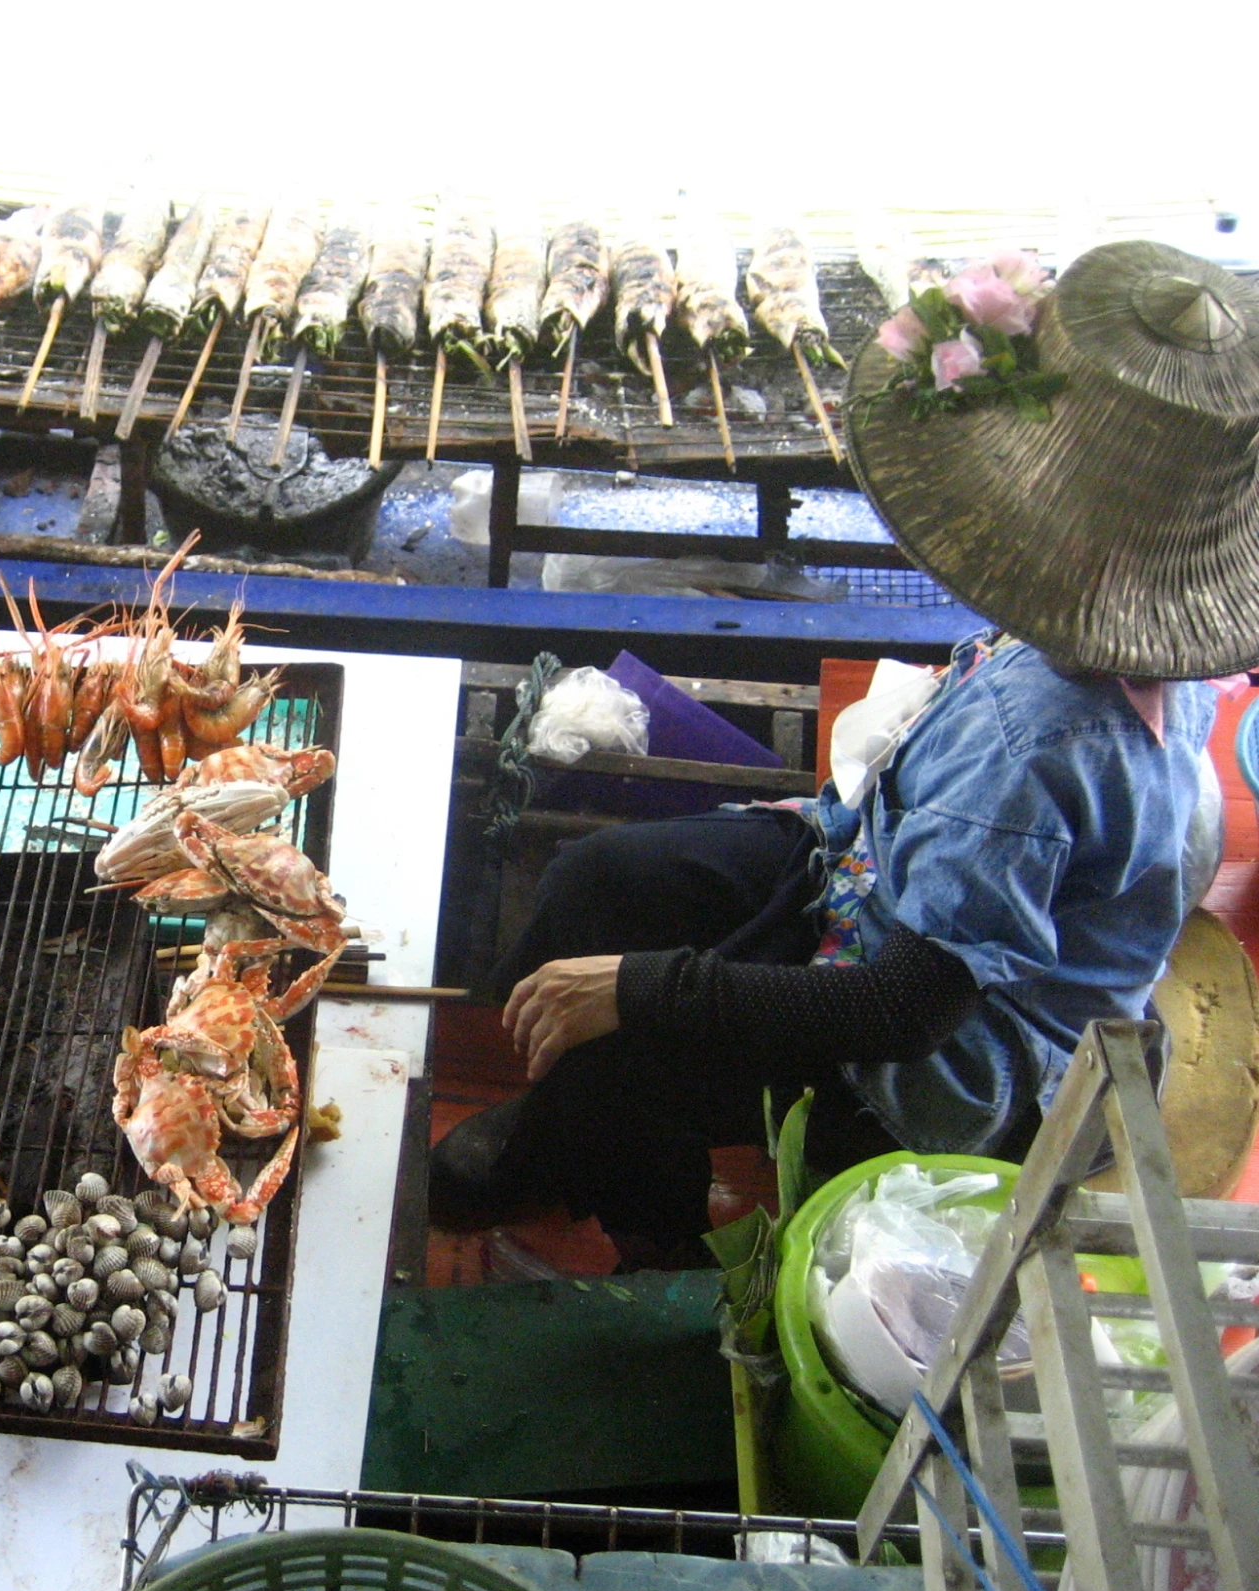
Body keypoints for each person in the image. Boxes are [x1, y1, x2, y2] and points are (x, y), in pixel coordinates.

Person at [430, 240, 1257, 1265]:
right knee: (597, 877)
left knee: (622, 1055)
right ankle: (557, 1131)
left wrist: (645, 990)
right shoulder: (1116, 642)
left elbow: (902, 1008)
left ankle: (655, 1238)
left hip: (946, 1046)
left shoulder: (1034, 751)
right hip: (876, 869)